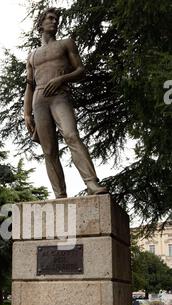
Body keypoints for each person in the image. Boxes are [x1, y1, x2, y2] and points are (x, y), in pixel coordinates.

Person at [24, 7, 108, 199]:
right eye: (50, 18)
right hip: (39, 100)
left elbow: (81, 70)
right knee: (49, 150)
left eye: (56, 19)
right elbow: (29, 85)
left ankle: (92, 184)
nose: (54, 22)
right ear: (40, 23)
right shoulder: (32, 55)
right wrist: (26, 113)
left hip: (60, 95)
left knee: (71, 135)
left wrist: (61, 79)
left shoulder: (66, 43)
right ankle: (60, 195)